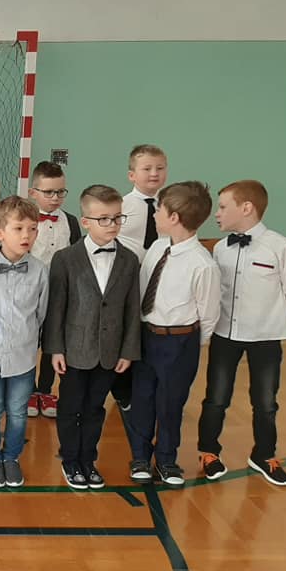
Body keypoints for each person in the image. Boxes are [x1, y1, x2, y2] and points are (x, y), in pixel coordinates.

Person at [197, 180, 286, 486]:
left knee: (265, 401)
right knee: (216, 397)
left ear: (246, 208)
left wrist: (269, 320)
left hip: (265, 337)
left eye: (223, 207)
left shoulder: (280, 247)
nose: (217, 214)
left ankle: (264, 455)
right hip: (225, 335)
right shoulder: (219, 249)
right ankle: (209, 452)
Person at [43, 185, 141, 490]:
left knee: (95, 408)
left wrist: (128, 351)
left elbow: (132, 309)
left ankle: (88, 459)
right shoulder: (65, 258)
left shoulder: (129, 260)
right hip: (74, 350)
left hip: (110, 352)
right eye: (104, 219)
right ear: (85, 222)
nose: (112, 225)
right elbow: (56, 308)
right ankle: (70, 460)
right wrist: (55, 349)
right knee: (70, 406)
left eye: (117, 218)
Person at [127, 181, 220, 488]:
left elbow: (208, 314)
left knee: (170, 403)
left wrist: (188, 344)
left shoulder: (202, 264)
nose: (154, 214)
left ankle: (167, 459)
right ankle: (140, 457)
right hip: (146, 336)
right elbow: (143, 289)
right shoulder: (157, 248)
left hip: (180, 342)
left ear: (174, 217)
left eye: (159, 209)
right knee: (142, 398)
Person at [0, 196, 48, 488]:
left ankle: (11, 457)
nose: (27, 235)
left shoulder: (40, 271)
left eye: (33, 228)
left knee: (17, 413)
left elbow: (41, 313)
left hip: (23, 358)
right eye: (19, 228)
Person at [112, 144, 169, 411]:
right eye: (147, 168)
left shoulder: (169, 207)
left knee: (150, 337)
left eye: (160, 168)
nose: (154, 173)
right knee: (125, 335)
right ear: (132, 175)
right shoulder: (122, 206)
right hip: (127, 281)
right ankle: (122, 391)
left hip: (159, 283)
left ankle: (149, 390)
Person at [27, 160, 81, 419]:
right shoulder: (24, 220)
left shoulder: (70, 221)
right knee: (28, 342)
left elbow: (76, 258)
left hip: (59, 294)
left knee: (53, 343)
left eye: (60, 192)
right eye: (48, 192)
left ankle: (45, 389)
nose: (55, 198)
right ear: (33, 192)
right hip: (29, 293)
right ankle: (27, 390)